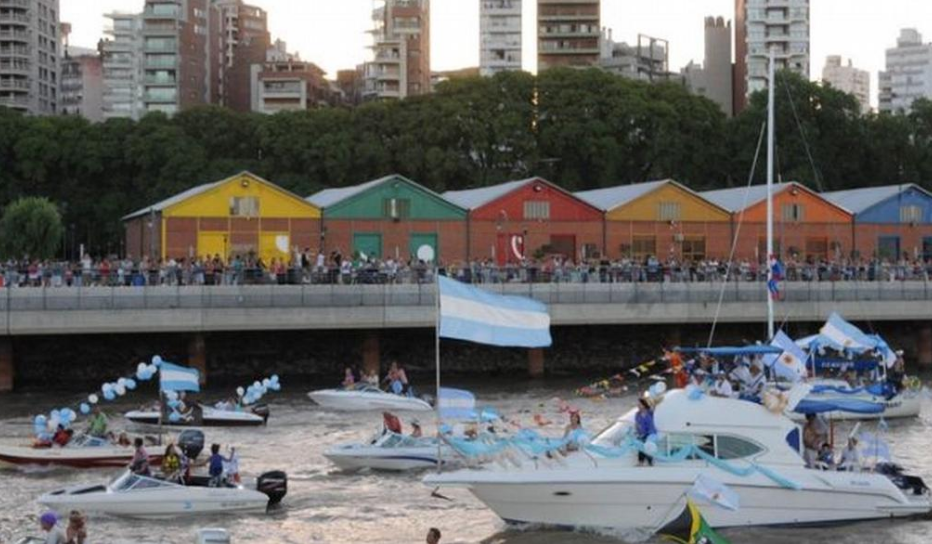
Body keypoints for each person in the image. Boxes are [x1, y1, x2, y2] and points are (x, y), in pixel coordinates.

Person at [635, 398, 657, 467]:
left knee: (647, 443)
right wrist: (638, 433)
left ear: (644, 405)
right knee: (640, 443)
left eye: (640, 404)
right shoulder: (637, 414)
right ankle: (641, 461)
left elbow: (654, 406)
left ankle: (650, 461)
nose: (638, 406)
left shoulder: (649, 412)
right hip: (642, 433)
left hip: (651, 432)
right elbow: (637, 425)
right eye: (638, 404)